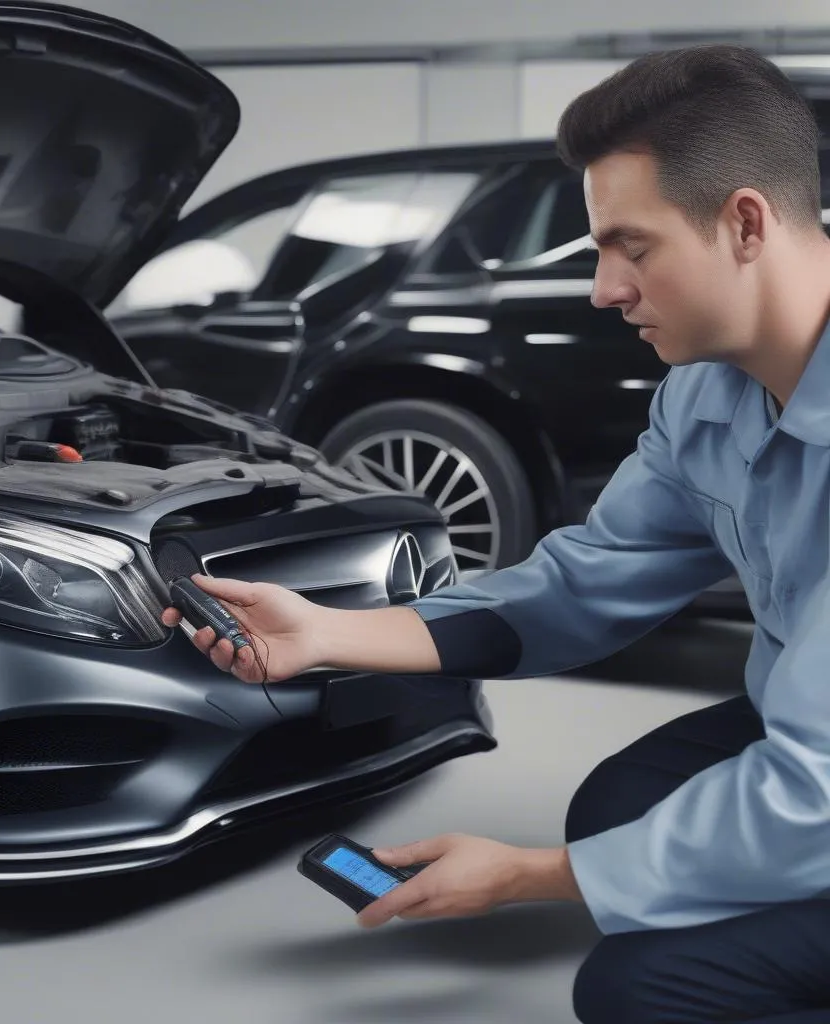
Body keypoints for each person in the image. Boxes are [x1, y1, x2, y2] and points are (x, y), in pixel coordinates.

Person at [163, 44, 830, 1024]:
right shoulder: (707, 395)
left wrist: (529, 878)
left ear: (742, 224)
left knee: (641, 991)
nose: (603, 288)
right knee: (615, 812)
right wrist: (324, 632)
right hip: (808, 721)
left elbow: (814, 791)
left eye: (630, 247)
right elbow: (589, 579)